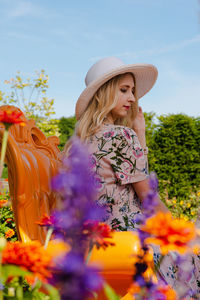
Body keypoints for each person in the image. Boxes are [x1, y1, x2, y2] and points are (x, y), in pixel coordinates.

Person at [65, 56, 200, 295]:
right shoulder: (119, 136)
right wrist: (181, 233)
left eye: (133, 91)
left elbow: (131, 176)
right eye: (124, 90)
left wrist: (140, 137)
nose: (132, 98)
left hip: (95, 243)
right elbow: (148, 198)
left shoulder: (80, 142)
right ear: (104, 93)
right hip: (129, 241)